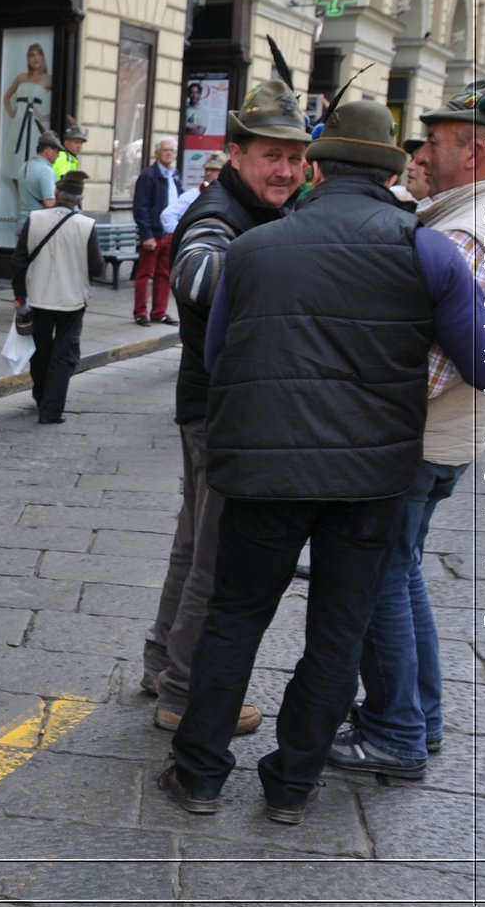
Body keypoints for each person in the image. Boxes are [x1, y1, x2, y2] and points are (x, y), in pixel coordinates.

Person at [161, 98, 485, 825]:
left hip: (264, 471)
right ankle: (292, 783)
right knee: (339, 629)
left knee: (234, 618)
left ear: (316, 168)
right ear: (387, 173)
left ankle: (198, 774)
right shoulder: (430, 248)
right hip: (373, 477)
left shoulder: (253, 250)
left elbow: (221, 356)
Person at [332, 73, 485, 780]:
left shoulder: (470, 230)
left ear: (477, 151)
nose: (423, 152)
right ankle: (420, 715)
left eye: (435, 141)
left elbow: (431, 370)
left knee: (382, 578)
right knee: (402, 573)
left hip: (417, 439)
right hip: (454, 438)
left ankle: (397, 731)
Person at [142, 79, 308, 737]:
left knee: (194, 542)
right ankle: (184, 692)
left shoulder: (256, 209)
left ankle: (163, 663)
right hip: (220, 409)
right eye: (273, 156)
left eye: (296, 158)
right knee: (216, 556)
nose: (287, 170)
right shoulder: (218, 213)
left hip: (211, 403)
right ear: (236, 153)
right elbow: (197, 273)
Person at [11, 171, 103, 423]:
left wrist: (19, 295)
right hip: (71, 300)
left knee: (40, 350)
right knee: (65, 354)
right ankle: (50, 410)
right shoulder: (86, 225)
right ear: (79, 197)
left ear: (58, 194)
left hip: (38, 297)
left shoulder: (35, 218)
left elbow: (19, 261)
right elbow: (97, 267)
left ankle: (41, 396)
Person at [131, 136, 178, 326]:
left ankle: (160, 312)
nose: (169, 153)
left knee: (164, 274)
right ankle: (140, 312)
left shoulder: (174, 174)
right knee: (144, 274)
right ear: (157, 153)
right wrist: (147, 234)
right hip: (153, 234)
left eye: (172, 150)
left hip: (170, 232)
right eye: (165, 150)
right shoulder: (149, 175)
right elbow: (140, 207)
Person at [3, 42, 52, 171]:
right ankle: (19, 192)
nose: (35, 58)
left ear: (42, 57)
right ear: (28, 58)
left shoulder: (48, 79)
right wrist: (12, 113)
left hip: (33, 124)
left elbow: (61, 100)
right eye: (32, 55)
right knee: (13, 161)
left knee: (32, 158)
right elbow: (6, 97)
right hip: (18, 122)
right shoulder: (21, 78)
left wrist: (43, 117)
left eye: (38, 54)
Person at [162, 152, 223, 234]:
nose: (208, 173)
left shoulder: (231, 194)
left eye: (214, 170)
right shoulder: (195, 194)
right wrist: (184, 235)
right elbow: (167, 215)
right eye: (207, 169)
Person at [18, 130, 62, 214]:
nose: (58, 155)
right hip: (39, 223)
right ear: (49, 151)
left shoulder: (24, 167)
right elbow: (49, 203)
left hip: (23, 221)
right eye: (57, 151)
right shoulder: (46, 171)